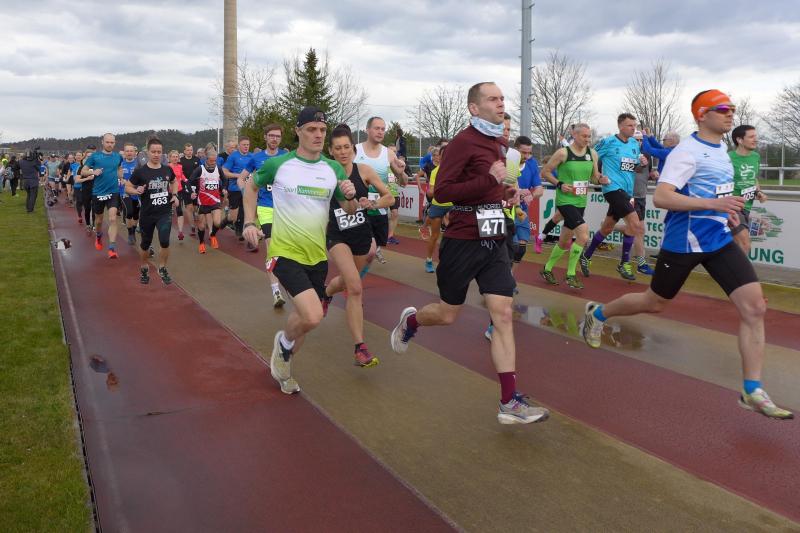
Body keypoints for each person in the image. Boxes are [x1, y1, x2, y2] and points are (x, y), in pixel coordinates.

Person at [582, 89, 792, 420]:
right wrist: (713, 204)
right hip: (685, 242)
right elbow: (663, 197)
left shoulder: (722, 151)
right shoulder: (686, 152)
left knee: (755, 307)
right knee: (654, 303)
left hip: (718, 239)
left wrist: (727, 212)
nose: (730, 113)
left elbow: (719, 193)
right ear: (702, 115)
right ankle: (598, 314)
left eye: (732, 108)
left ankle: (752, 389)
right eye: (723, 109)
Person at [389, 81, 549, 425]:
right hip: (462, 240)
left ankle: (509, 402)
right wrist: (487, 181)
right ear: (474, 108)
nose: (501, 103)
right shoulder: (463, 142)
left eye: (502, 98)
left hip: (494, 238)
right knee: (448, 314)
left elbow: (491, 188)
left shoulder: (499, 143)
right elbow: (443, 193)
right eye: (493, 98)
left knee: (502, 313)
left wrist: (505, 194)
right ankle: (411, 321)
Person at [242, 106, 358, 394]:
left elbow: (348, 208)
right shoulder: (278, 165)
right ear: (298, 131)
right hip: (284, 251)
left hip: (317, 256)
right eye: (311, 129)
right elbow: (250, 187)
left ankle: (284, 358)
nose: (318, 135)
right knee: (314, 315)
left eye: (322, 130)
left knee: (306, 318)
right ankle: (283, 345)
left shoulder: (333, 169)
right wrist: (248, 221)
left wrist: (352, 196)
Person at [322, 124, 393, 367]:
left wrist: (373, 204)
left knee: (346, 280)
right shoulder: (326, 174)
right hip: (337, 235)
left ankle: (326, 293)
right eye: (338, 148)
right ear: (331, 151)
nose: (343, 152)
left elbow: (389, 197)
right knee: (355, 287)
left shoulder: (364, 170)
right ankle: (360, 348)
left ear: (353, 149)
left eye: (346, 147)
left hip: (361, 234)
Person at [579, 114, 647, 281]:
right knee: (634, 223)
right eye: (630, 125)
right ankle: (624, 263)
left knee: (607, 228)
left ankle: (586, 256)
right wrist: (597, 176)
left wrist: (641, 164)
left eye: (634, 125)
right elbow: (590, 157)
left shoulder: (634, 144)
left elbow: (633, 168)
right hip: (612, 188)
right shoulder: (608, 142)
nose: (633, 128)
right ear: (620, 126)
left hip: (627, 191)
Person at [539, 124, 607, 289]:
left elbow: (594, 177)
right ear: (574, 135)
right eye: (584, 136)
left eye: (589, 136)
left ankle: (547, 269)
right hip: (565, 201)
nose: (587, 139)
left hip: (580, 201)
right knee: (583, 235)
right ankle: (570, 275)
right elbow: (545, 172)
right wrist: (559, 184)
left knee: (564, 241)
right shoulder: (563, 153)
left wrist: (601, 179)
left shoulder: (592, 153)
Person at [240, 123, 289, 305]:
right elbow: (242, 178)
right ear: (265, 137)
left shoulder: (286, 157)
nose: (274, 139)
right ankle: (276, 292)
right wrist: (246, 192)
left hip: (285, 209)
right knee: (272, 247)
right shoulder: (256, 158)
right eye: (271, 135)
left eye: (278, 136)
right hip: (266, 207)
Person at [126, 138, 179, 285]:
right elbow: (128, 187)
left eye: (159, 152)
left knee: (165, 241)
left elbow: (174, 181)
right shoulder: (140, 172)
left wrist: (175, 195)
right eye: (153, 152)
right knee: (145, 244)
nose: (156, 154)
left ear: (162, 153)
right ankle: (144, 266)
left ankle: (162, 268)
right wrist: (136, 190)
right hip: (147, 214)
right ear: (147, 152)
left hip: (164, 212)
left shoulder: (167, 169)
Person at [355, 116, 406, 267]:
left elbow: (403, 182)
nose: (380, 132)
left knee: (371, 253)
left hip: (379, 208)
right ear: (367, 130)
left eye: (383, 129)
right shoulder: (355, 150)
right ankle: (352, 278)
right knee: (364, 251)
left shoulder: (388, 153)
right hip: (357, 207)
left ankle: (354, 277)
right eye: (376, 128)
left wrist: (401, 172)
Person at [82, 134, 123, 259]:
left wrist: (120, 176)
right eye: (107, 142)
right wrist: (93, 172)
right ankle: (99, 236)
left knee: (112, 219)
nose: (110, 144)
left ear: (115, 143)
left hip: (113, 192)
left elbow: (119, 168)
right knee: (99, 221)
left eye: (112, 142)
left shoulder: (118, 156)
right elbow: (83, 171)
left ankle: (111, 248)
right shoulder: (94, 156)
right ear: (102, 142)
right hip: (98, 193)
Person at [729, 125, 766, 254]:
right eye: (751, 137)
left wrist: (758, 192)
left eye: (756, 136)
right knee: (744, 244)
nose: (755, 139)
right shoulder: (728, 158)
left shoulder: (755, 157)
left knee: (734, 246)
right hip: (732, 207)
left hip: (747, 206)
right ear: (739, 140)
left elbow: (753, 179)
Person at [188, 149, 223, 254]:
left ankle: (212, 235)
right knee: (202, 226)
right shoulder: (200, 169)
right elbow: (189, 182)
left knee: (217, 222)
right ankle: (201, 242)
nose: (213, 163)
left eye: (215, 160)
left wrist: (224, 189)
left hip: (215, 200)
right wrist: (192, 192)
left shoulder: (218, 168)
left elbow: (225, 180)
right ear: (206, 159)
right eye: (211, 161)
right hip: (203, 202)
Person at [222, 136, 254, 241]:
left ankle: (241, 231)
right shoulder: (233, 156)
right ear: (239, 145)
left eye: (248, 145)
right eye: (244, 145)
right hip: (234, 188)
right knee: (233, 216)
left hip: (247, 188)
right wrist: (239, 176)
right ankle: (226, 221)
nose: (246, 147)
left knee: (245, 211)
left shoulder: (252, 156)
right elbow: (224, 172)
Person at [422, 147, 449, 273]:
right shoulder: (435, 172)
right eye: (442, 155)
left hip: (452, 205)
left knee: (452, 235)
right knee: (435, 236)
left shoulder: (456, 169)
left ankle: (450, 260)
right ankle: (428, 260)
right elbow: (431, 190)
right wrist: (431, 191)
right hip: (438, 204)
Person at [179, 143, 201, 237]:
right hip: (185, 185)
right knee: (189, 207)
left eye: (191, 150)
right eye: (187, 150)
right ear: (184, 151)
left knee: (195, 207)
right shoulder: (181, 161)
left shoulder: (197, 160)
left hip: (196, 185)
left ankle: (195, 216)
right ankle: (192, 227)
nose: (189, 152)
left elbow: (200, 171)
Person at [167, 150, 189, 241]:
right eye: (173, 156)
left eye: (176, 157)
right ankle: (166, 230)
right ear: (169, 158)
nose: (175, 158)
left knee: (179, 210)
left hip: (179, 191)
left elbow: (181, 175)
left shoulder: (180, 166)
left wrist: (186, 180)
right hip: (168, 192)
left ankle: (180, 232)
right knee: (167, 213)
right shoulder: (167, 167)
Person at [120, 144, 140, 245]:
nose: (129, 153)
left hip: (137, 193)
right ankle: (130, 234)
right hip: (125, 192)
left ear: (135, 152)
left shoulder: (139, 164)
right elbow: (115, 175)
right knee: (129, 212)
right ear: (124, 152)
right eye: (127, 151)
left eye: (131, 151)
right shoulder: (120, 164)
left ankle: (134, 230)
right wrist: (121, 179)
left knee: (136, 215)